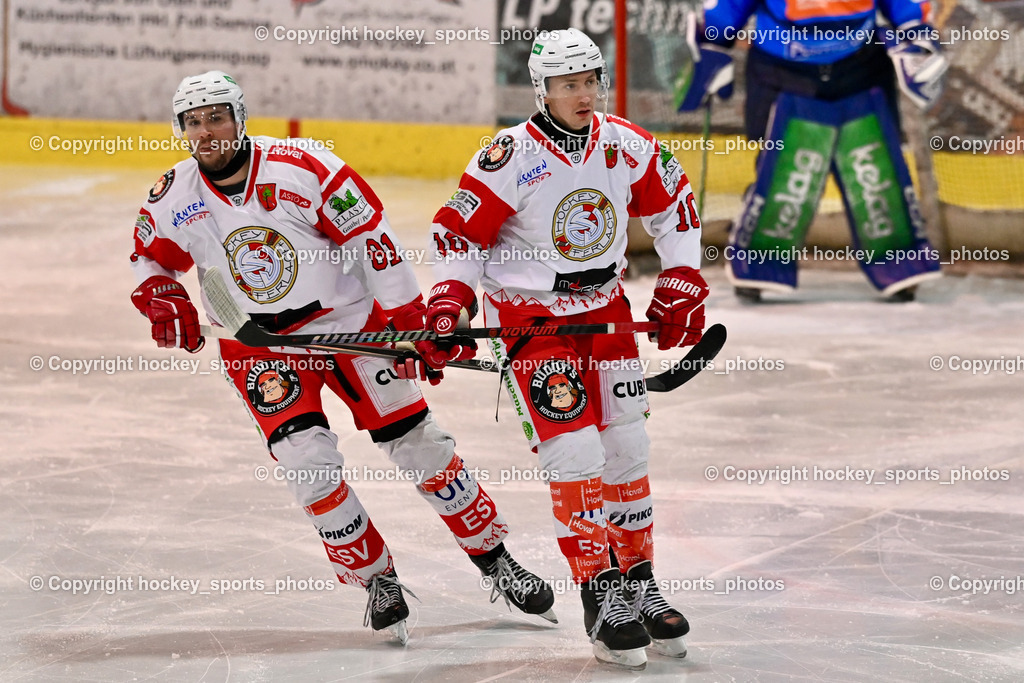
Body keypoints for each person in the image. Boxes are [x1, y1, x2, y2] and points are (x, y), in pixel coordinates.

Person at [128, 70, 555, 644]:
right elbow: (148, 258)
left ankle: (495, 559)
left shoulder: (303, 167)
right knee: (308, 468)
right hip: (259, 347)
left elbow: (373, 240)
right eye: (194, 122)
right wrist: (162, 294)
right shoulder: (174, 195)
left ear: (240, 118)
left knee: (420, 444)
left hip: (351, 326)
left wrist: (409, 319)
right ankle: (377, 578)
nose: (207, 131)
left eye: (217, 117)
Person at [417, 29, 705, 670]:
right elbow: (457, 233)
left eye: (589, 81)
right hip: (533, 319)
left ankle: (638, 581)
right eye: (568, 84)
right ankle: (600, 595)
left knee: (626, 446)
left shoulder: (625, 143)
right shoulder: (509, 155)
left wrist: (682, 278)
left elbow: (676, 206)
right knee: (574, 451)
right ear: (541, 90)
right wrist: (450, 300)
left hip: (606, 313)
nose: (582, 94)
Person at [677, 0, 948, 302]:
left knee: (874, 168)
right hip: (781, 70)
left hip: (861, 66)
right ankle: (760, 259)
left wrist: (917, 33)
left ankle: (898, 258)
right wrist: (713, 42)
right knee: (786, 174)